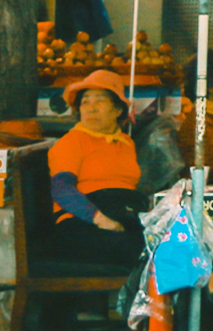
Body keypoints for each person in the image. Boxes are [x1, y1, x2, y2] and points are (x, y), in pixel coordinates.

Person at [46, 71, 146, 243]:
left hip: (122, 216)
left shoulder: (126, 142)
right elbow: (61, 189)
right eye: (85, 102)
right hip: (82, 222)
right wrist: (101, 219)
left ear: (117, 109)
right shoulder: (71, 141)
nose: (91, 108)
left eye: (100, 100)